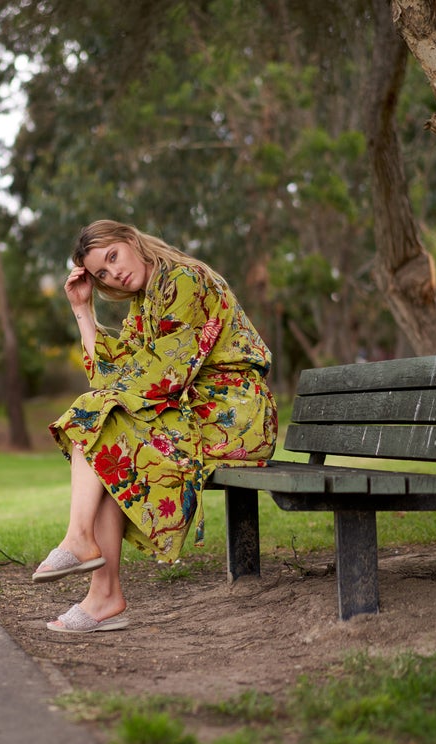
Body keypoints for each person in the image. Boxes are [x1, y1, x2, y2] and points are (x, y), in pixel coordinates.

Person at [34, 220, 278, 633]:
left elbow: (164, 375)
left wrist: (100, 403)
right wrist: (82, 309)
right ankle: (102, 593)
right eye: (102, 274)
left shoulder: (185, 281)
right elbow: (110, 375)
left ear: (131, 240)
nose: (114, 274)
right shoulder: (144, 302)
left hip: (234, 412)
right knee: (106, 446)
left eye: (113, 257)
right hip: (197, 407)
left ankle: (82, 548)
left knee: (95, 418)